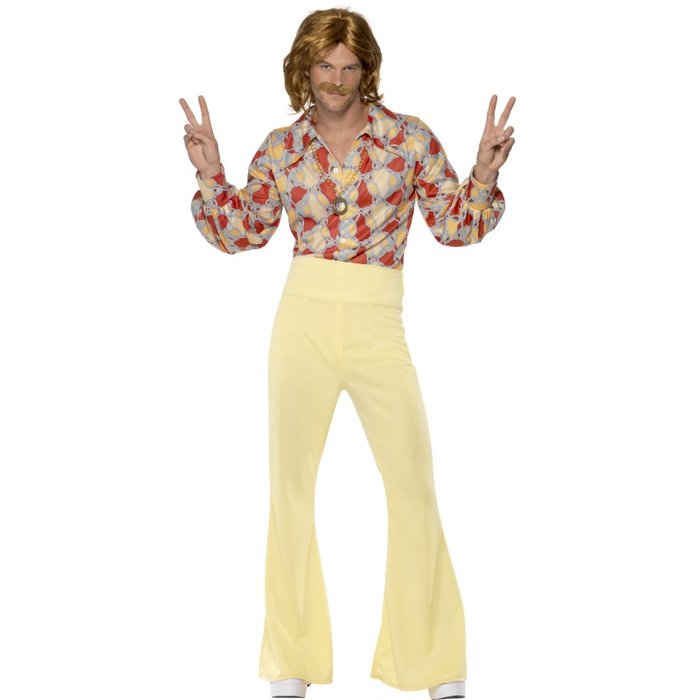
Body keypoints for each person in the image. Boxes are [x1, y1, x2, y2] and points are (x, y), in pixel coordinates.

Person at [179, 8, 515, 700]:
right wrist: (212, 174)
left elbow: (456, 227)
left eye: (349, 67)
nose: (336, 80)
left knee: (413, 483)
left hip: (377, 322)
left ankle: (433, 661)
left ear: (367, 71)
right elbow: (243, 233)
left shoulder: (408, 138)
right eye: (324, 66)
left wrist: (482, 173)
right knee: (290, 488)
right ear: (303, 70)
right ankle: (291, 659)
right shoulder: (281, 148)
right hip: (301, 318)